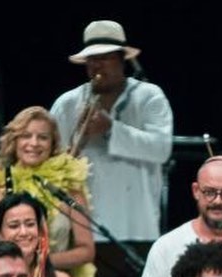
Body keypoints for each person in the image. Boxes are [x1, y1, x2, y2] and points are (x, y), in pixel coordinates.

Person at [50, 19, 173, 244]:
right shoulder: (67, 103)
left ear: (121, 59)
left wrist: (111, 129)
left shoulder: (149, 96)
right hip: (84, 225)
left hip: (137, 223)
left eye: (104, 58)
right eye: (92, 59)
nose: (97, 66)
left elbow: (161, 149)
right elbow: (51, 161)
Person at [0, 106, 95, 277]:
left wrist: (40, 263)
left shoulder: (70, 186)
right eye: (26, 136)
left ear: (53, 144)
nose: (33, 143)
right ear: (14, 141)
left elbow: (86, 250)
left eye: (42, 137)